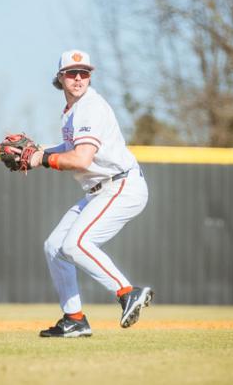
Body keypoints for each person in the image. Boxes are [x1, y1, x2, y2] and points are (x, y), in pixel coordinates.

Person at [29, 50, 153, 338]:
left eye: (84, 72)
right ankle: (74, 319)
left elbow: (82, 159)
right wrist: (40, 153)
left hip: (121, 185)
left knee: (75, 244)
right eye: (72, 73)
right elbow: (68, 149)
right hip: (101, 189)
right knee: (55, 247)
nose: (79, 78)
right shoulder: (73, 111)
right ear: (59, 78)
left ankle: (127, 292)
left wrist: (42, 159)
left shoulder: (90, 107)